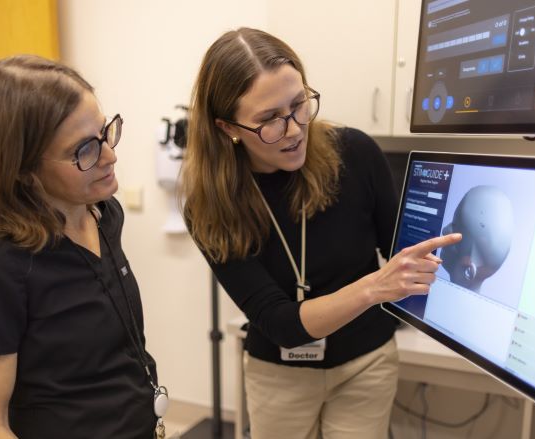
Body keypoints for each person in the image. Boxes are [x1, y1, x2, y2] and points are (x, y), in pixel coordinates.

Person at [181, 28, 461, 439]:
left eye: (298, 105)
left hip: (366, 363)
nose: (294, 129)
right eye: (269, 120)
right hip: (278, 374)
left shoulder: (355, 154)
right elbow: (282, 324)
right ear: (228, 128)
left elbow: (407, 255)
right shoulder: (211, 206)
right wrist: (375, 286)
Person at [0, 55, 165, 439]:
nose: (110, 155)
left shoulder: (103, 216)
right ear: (21, 168)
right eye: (84, 150)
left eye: (106, 132)